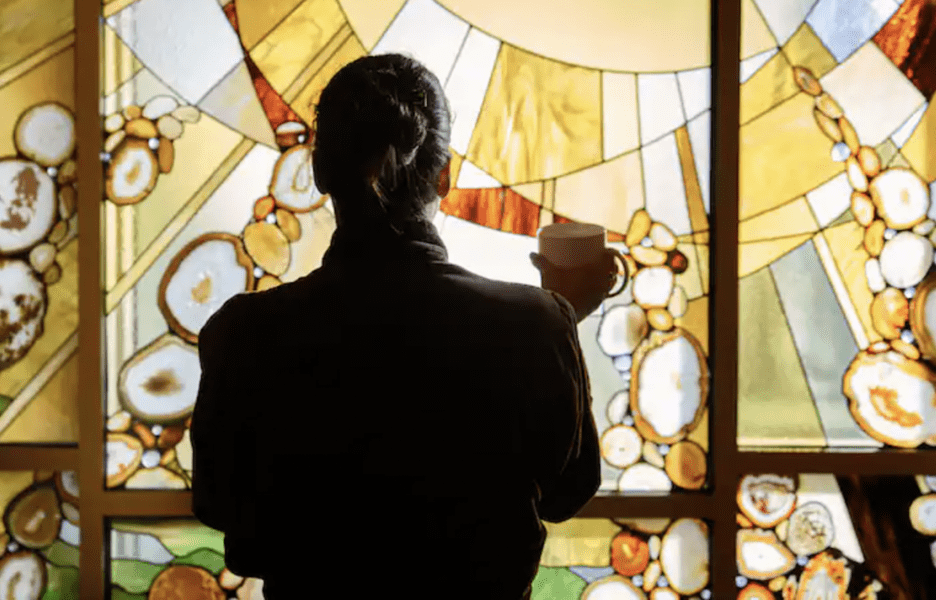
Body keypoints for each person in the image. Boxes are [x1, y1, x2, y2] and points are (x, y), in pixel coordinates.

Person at [191, 53, 625, 600]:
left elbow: (221, 508)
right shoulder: (533, 327)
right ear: (445, 176)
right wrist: (559, 325)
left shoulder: (246, 334)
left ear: (321, 170)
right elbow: (565, 493)